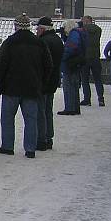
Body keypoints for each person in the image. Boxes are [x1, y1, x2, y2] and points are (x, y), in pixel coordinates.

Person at [0, 14, 52, 159]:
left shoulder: (9, 42)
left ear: (16, 26)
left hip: (11, 87)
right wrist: (41, 82)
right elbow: (48, 65)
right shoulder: (39, 43)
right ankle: (30, 149)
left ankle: (7, 146)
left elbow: (1, 64)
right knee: (31, 119)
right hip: (32, 87)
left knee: (7, 118)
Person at [35, 17, 64, 151]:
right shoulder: (58, 40)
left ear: (42, 29)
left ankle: (41, 138)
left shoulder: (43, 42)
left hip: (43, 80)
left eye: (37, 28)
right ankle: (49, 137)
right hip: (54, 79)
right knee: (48, 110)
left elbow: (41, 63)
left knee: (40, 111)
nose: (36, 31)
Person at [57, 19, 85, 115]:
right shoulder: (78, 33)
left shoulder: (73, 34)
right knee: (74, 87)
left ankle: (70, 108)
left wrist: (63, 57)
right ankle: (74, 108)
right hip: (75, 64)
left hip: (70, 64)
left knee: (68, 87)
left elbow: (71, 47)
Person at [79, 15, 105, 107]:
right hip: (95, 57)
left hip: (85, 57)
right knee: (98, 79)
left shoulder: (82, 30)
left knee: (85, 80)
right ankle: (101, 99)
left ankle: (87, 99)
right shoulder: (98, 30)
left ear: (86, 21)